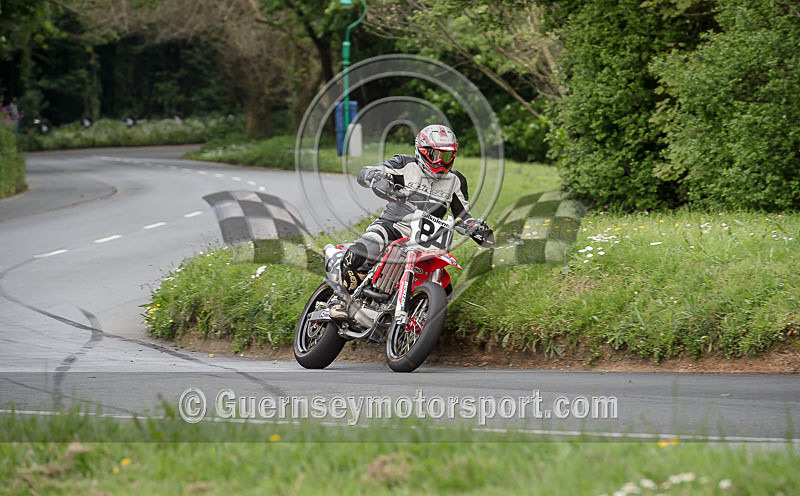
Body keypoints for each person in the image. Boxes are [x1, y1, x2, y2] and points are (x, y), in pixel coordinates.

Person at [338, 124, 491, 294]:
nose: (441, 162)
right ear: (422, 151)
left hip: (428, 241)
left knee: (446, 290)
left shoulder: (456, 181)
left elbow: (462, 216)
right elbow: (366, 172)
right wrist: (375, 177)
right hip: (392, 227)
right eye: (435, 155)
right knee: (363, 250)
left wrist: (475, 227)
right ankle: (341, 300)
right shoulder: (404, 163)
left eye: (446, 156)